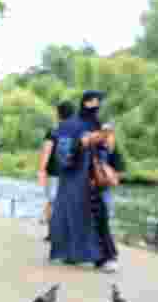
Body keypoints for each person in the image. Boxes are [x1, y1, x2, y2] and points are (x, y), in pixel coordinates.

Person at [47, 90, 120, 272]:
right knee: (89, 215)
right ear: (86, 102)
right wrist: (88, 141)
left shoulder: (82, 124)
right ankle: (101, 258)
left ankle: (71, 254)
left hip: (84, 177)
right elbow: (66, 153)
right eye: (95, 102)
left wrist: (104, 137)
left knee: (72, 215)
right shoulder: (75, 125)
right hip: (83, 178)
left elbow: (109, 149)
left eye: (98, 103)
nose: (97, 106)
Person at [37, 101, 75, 240]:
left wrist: (41, 171)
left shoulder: (53, 131)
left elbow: (46, 151)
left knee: (52, 201)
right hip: (71, 173)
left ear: (59, 114)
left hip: (53, 172)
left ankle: (53, 233)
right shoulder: (76, 133)